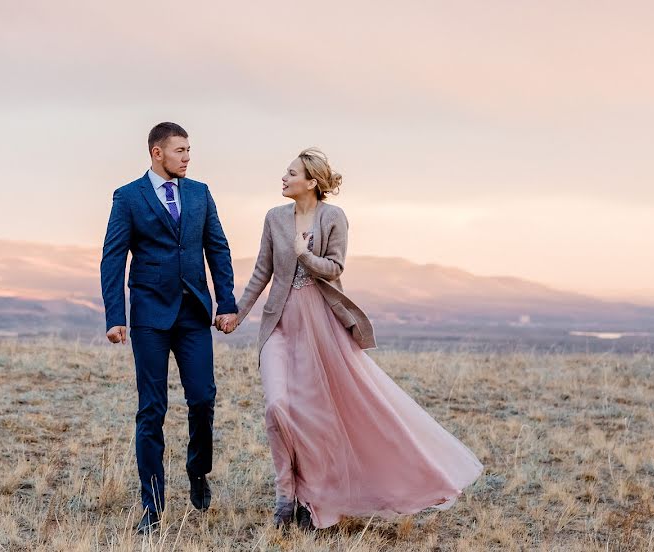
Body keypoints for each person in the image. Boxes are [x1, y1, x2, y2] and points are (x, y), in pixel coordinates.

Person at [223, 147, 484, 530]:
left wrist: (305, 256)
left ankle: (310, 499)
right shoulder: (274, 218)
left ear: (311, 181)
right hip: (279, 324)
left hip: (320, 326)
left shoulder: (333, 217)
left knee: (316, 417)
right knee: (277, 406)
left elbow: (335, 267)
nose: (283, 177)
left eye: (291, 172)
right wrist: (236, 314)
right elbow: (262, 272)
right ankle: (285, 492)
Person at [100, 122, 238, 534]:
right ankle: (152, 505)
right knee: (152, 410)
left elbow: (218, 247)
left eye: (189, 150)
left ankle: (198, 471)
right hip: (149, 318)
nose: (187, 157)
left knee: (202, 398)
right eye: (180, 150)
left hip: (194, 314)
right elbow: (113, 258)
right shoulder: (127, 197)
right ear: (157, 153)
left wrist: (226, 302)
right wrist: (115, 316)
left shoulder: (200, 193)